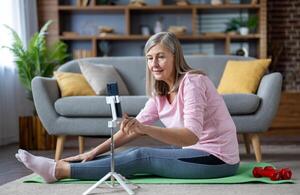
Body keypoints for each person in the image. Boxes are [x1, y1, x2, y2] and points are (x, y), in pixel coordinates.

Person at [16, 32, 240, 183]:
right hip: (195, 154)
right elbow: (131, 129)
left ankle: (58, 171)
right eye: (150, 58)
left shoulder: (193, 82)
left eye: (161, 56)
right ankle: (66, 162)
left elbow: (191, 137)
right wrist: (94, 151)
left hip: (217, 159)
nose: (154, 64)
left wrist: (145, 129)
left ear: (175, 56)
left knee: (142, 155)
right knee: (128, 152)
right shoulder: (160, 93)